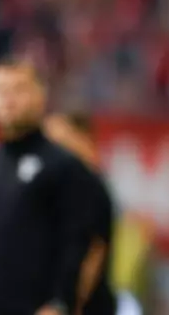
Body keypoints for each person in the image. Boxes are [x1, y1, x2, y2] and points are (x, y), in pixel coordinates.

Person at [0, 57, 97, 315]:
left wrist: (60, 302)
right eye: (0, 91)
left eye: (19, 89)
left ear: (41, 95)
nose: (9, 99)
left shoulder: (65, 167)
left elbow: (76, 244)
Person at [44, 112, 118, 315]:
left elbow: (94, 251)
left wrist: (73, 302)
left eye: (60, 141)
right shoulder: (67, 186)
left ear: (82, 138)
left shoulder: (89, 186)